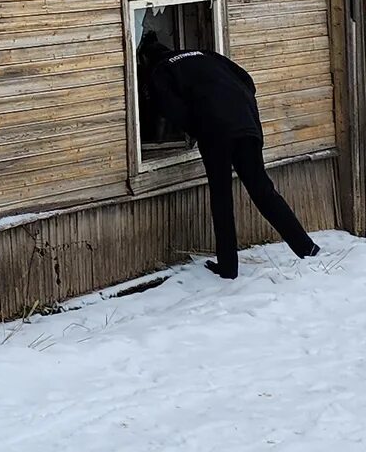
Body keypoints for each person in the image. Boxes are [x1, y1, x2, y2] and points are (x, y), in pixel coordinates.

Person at [135, 33, 321, 279]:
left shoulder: (160, 70)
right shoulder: (205, 55)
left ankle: (228, 267)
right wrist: (240, 109)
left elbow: (170, 108)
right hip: (246, 122)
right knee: (263, 190)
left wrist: (197, 127)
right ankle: (307, 248)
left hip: (215, 131)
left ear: (147, 59)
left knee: (221, 197)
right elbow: (246, 79)